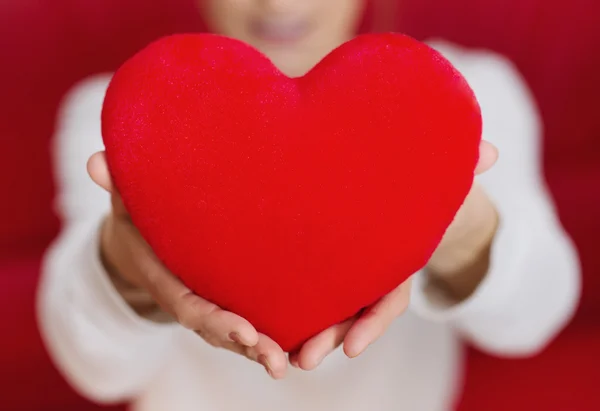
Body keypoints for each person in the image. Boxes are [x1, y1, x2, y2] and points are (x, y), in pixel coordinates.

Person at [37, 0, 581, 410]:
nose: (278, 3)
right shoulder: (134, 113)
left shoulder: (461, 97)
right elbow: (95, 370)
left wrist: (453, 223)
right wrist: (126, 269)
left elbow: (534, 318)